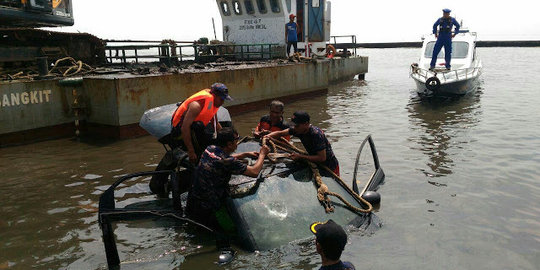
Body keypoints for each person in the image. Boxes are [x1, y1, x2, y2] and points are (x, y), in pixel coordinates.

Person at [186, 127, 270, 262]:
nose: (237, 144)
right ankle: (226, 250)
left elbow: (222, 158)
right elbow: (254, 172)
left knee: (198, 233)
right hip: (211, 205)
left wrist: (243, 155)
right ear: (230, 144)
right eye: (236, 140)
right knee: (230, 231)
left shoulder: (210, 149)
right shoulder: (228, 161)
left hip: (194, 198)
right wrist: (262, 154)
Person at [171, 82, 233, 164]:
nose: (222, 103)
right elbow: (184, 128)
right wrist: (191, 151)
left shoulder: (212, 103)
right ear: (214, 96)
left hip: (194, 127)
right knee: (199, 127)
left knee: (210, 132)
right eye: (221, 99)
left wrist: (227, 139)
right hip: (179, 132)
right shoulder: (196, 106)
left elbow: (216, 124)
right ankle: (201, 154)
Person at [266, 111, 340, 176]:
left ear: (306, 124)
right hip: (315, 161)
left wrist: (300, 156)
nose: (294, 128)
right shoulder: (298, 130)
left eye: (297, 126)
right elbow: (280, 133)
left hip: (329, 166)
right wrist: (267, 136)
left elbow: (322, 158)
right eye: (293, 125)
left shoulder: (316, 134)